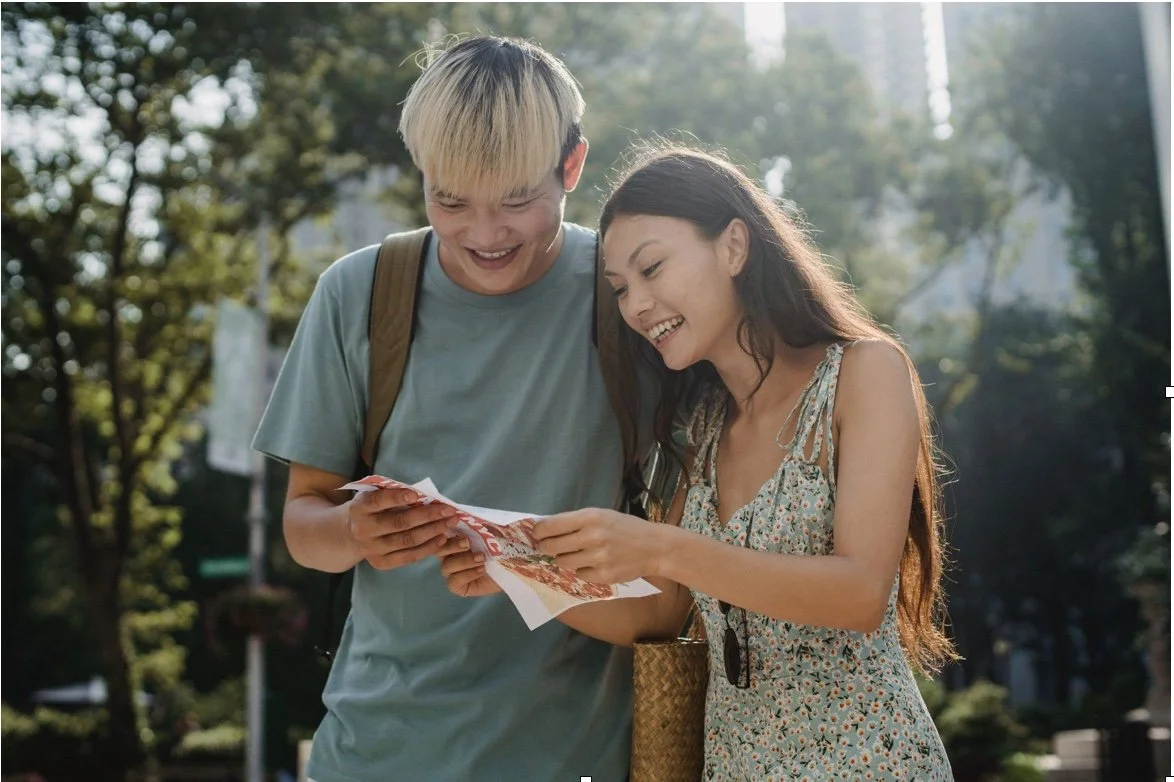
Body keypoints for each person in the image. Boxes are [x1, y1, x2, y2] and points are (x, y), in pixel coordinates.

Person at [442, 146, 957, 779]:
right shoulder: (702, 428)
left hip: (868, 762)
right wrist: (514, 569)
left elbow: (859, 593)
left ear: (734, 246)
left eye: (652, 268)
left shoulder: (862, 372)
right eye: (622, 288)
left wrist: (660, 547)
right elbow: (658, 614)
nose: (636, 306)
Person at [252, 36, 635, 781]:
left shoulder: (628, 295)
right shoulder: (360, 292)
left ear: (572, 166)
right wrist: (354, 530)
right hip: (376, 752)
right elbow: (304, 525)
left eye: (518, 201)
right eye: (450, 200)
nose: (484, 236)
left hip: (575, 756)